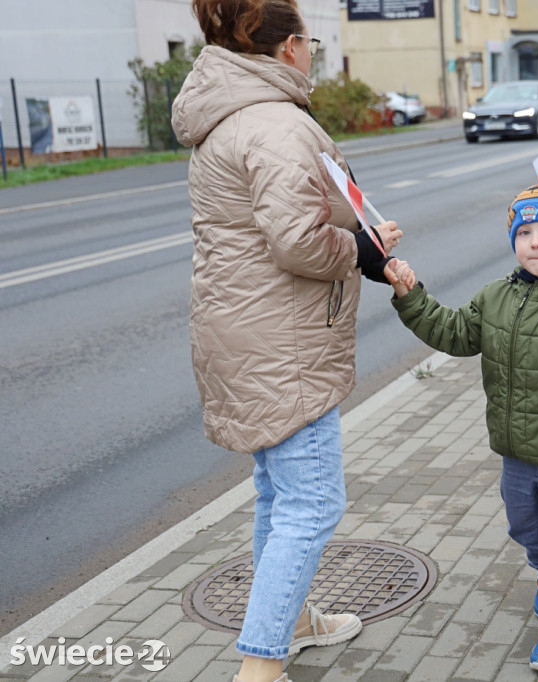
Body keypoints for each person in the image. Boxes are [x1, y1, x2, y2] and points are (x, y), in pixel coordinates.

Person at [170, 1, 403, 680]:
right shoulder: (274, 122)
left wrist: (354, 243)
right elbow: (298, 239)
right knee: (313, 503)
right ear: (288, 48)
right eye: (311, 42)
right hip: (283, 338)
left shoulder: (227, 114)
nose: (314, 52)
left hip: (246, 328)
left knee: (279, 494)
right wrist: (361, 245)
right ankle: (259, 667)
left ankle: (294, 623)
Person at [384, 181, 538, 674]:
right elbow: (454, 332)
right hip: (516, 449)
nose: (536, 241)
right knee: (524, 526)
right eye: (525, 231)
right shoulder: (497, 297)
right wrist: (410, 295)